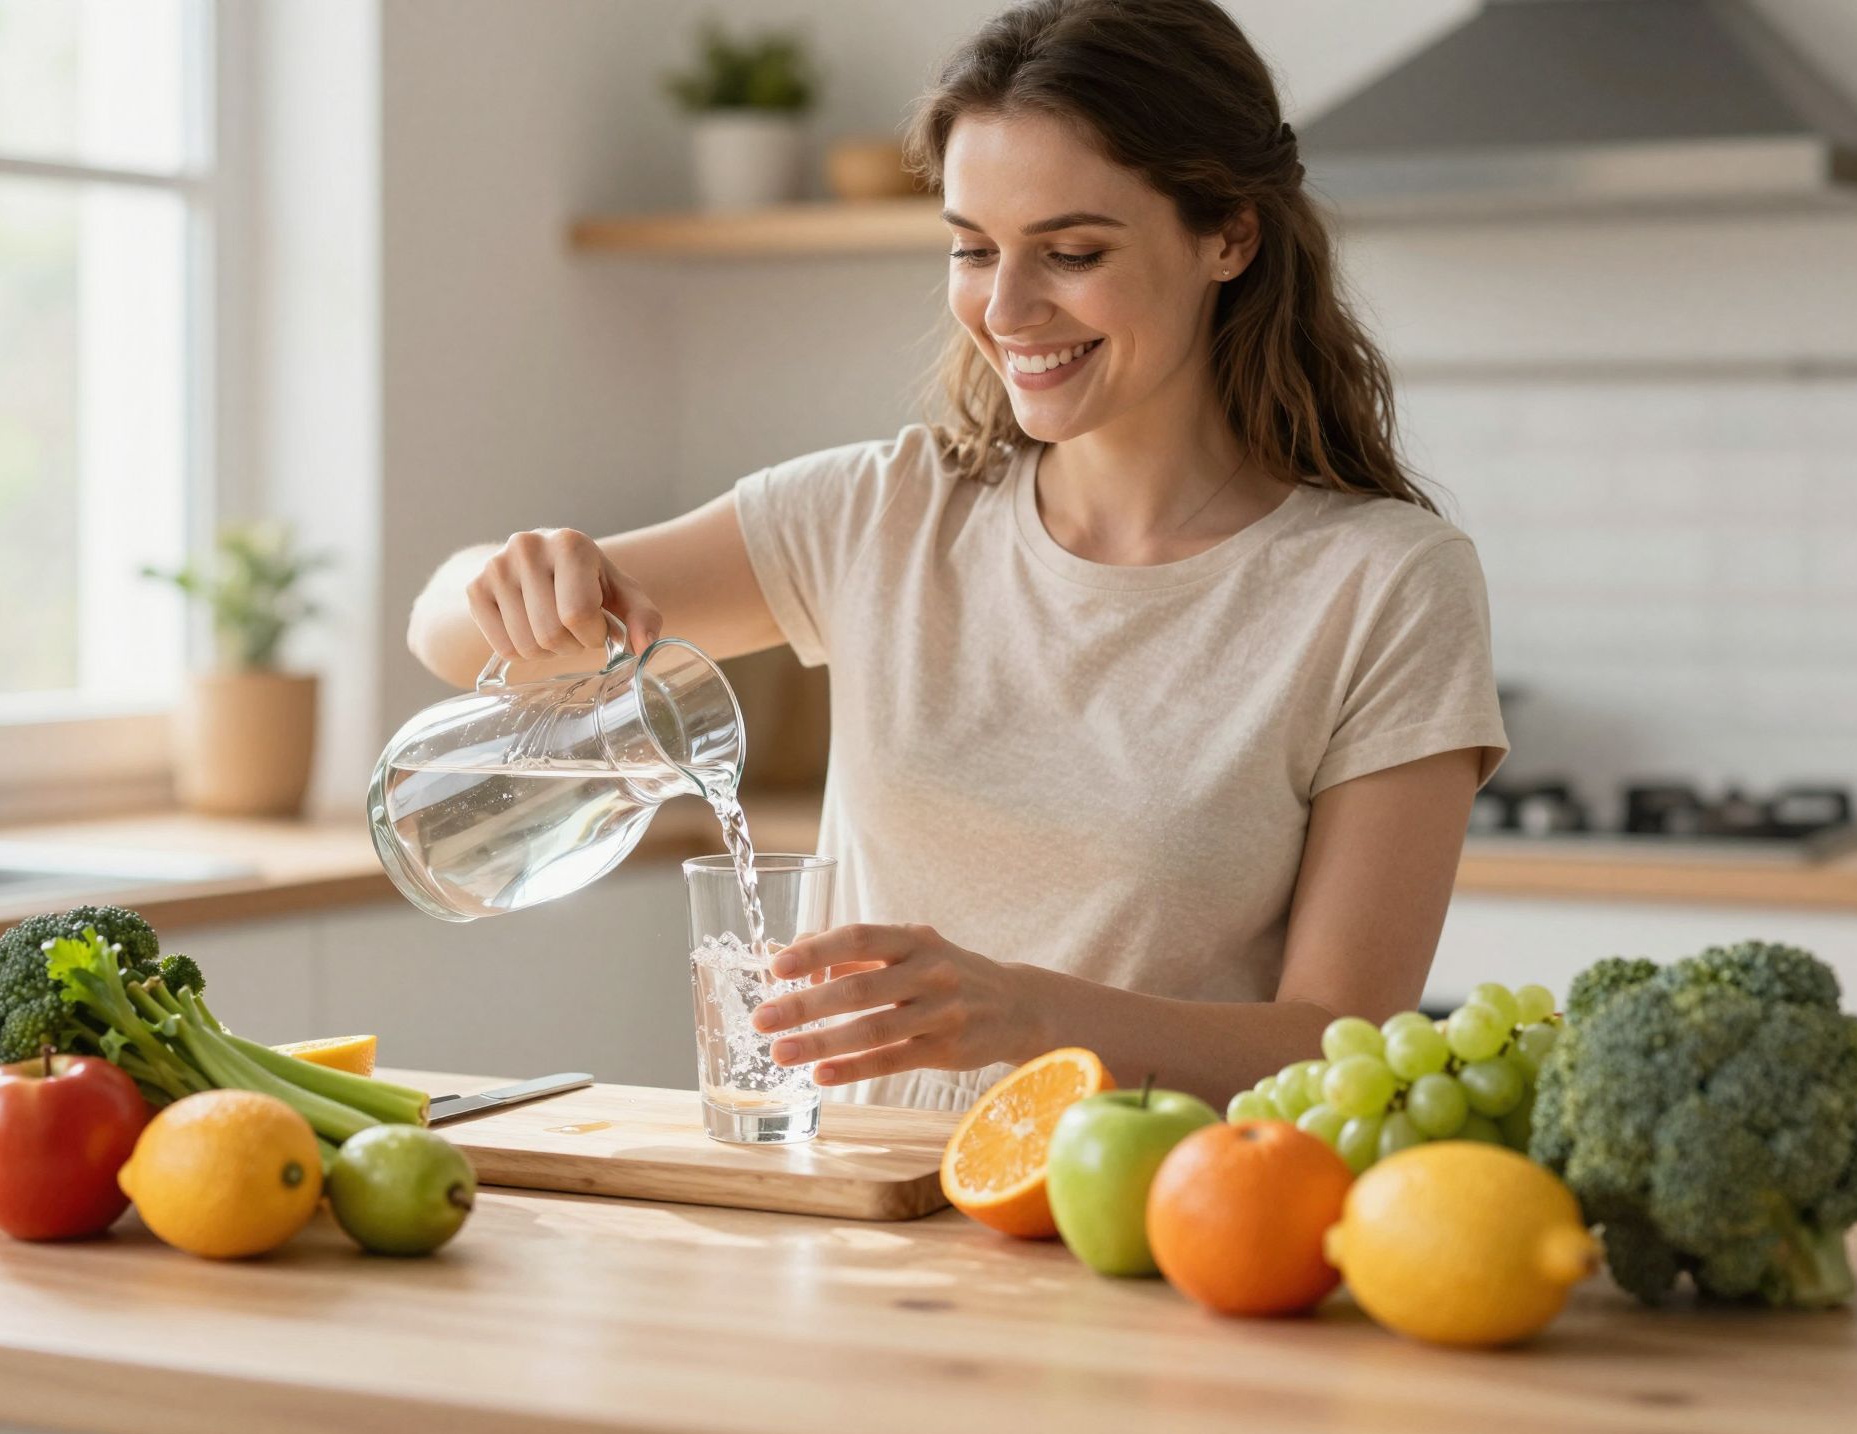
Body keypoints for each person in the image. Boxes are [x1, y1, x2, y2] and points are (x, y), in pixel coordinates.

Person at [407, 0, 1507, 1114]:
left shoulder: (1384, 586)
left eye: (1071, 252)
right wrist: (506, 577)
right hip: (858, 1235)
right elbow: (448, 639)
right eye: (971, 249)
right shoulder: (880, 513)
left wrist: (1033, 1017)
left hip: (1159, 1247)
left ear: (1228, 234)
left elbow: (1339, 1048)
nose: (1008, 307)